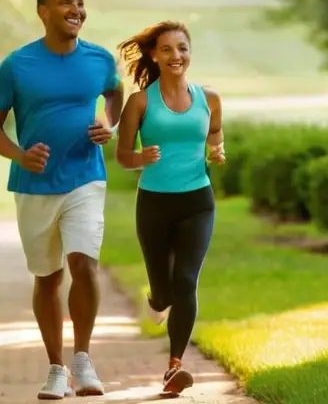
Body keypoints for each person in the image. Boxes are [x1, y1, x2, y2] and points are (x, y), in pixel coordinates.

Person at [0, 0, 124, 400]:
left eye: (79, 3)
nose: (76, 10)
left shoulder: (99, 59)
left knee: (84, 263)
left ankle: (82, 359)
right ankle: (56, 367)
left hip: (86, 175)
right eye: (65, 3)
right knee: (48, 277)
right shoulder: (17, 65)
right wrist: (20, 154)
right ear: (43, 12)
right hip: (34, 185)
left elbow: (114, 95)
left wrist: (108, 123)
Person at [114, 21, 225, 396]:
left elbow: (215, 130)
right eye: (167, 49)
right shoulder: (141, 102)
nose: (176, 56)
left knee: (186, 281)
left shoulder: (209, 98)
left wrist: (217, 148)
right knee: (163, 291)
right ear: (153, 55)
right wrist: (140, 156)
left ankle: (174, 366)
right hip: (155, 204)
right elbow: (122, 156)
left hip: (198, 201)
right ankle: (157, 299)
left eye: (182, 48)